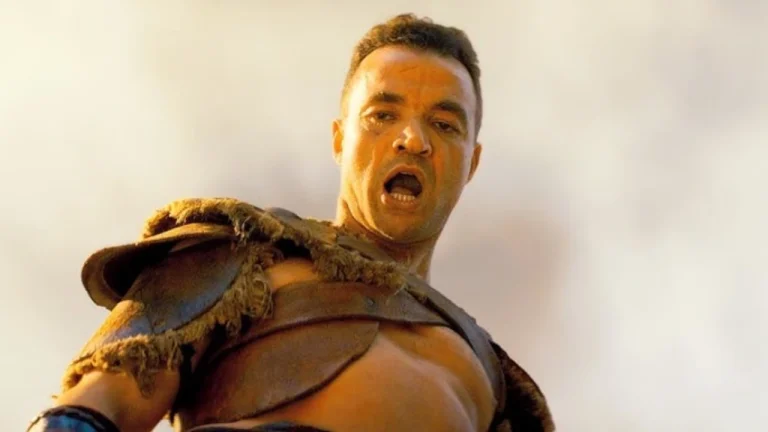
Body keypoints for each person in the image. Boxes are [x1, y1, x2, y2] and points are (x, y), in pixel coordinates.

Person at [28, 13, 554, 432]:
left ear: (472, 163)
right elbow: (99, 406)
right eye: (382, 115)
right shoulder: (246, 252)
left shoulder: (493, 377)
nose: (412, 139)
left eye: (443, 123)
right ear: (340, 139)